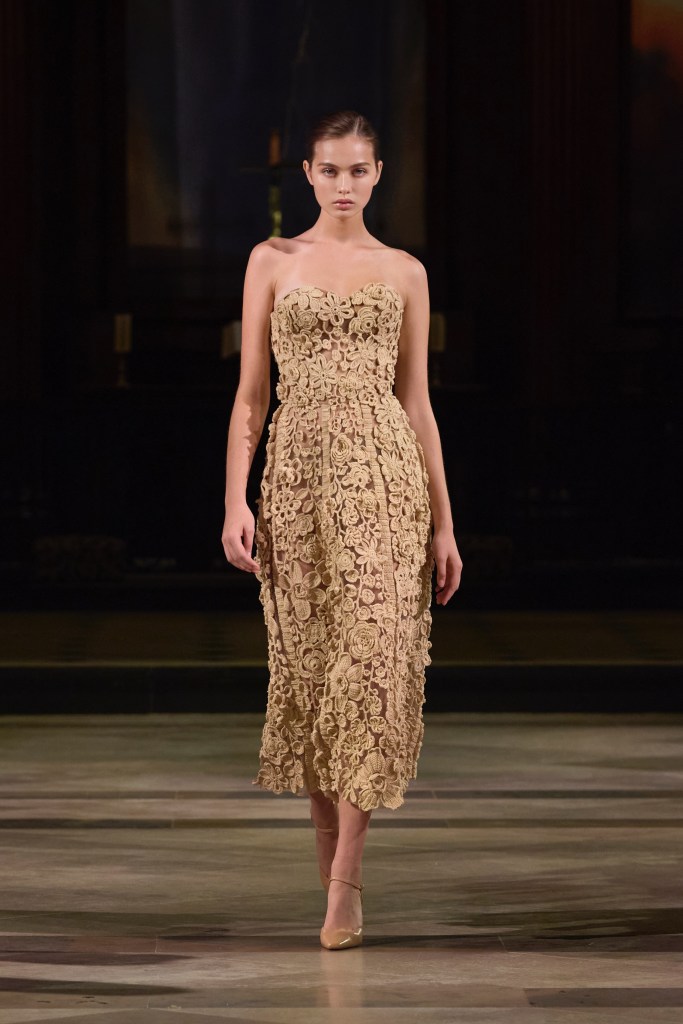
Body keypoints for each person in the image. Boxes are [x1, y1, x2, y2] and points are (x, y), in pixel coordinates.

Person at [222, 110, 462, 950]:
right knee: (314, 673)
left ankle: (346, 886)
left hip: (386, 484)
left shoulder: (403, 272)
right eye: (330, 170)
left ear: (378, 174)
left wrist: (444, 523)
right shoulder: (270, 261)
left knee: (370, 667)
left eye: (358, 170)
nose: (344, 184)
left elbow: (418, 403)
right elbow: (250, 395)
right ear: (309, 174)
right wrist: (234, 501)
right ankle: (329, 872)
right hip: (295, 481)